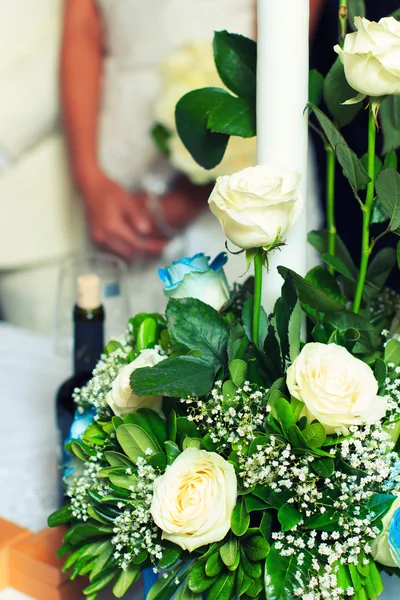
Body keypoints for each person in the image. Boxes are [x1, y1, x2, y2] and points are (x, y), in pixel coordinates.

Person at [61, 0, 325, 312]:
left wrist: (193, 193)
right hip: (120, 163)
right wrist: (90, 178)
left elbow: (286, 30)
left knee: (254, 332)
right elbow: (83, 27)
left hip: (245, 150)